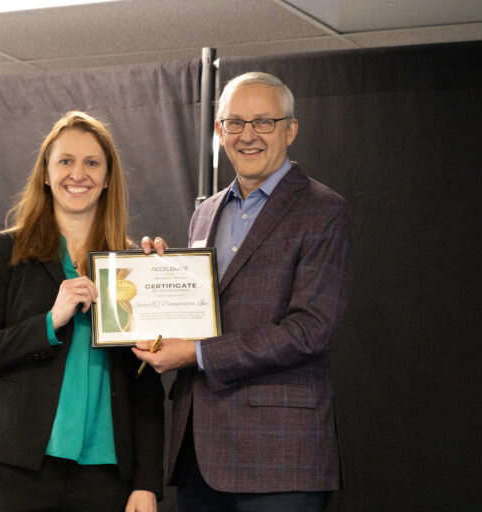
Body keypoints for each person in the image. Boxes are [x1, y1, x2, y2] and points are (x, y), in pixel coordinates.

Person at [134, 72, 351, 511]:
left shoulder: (323, 210)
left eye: (263, 122)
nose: (247, 135)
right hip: (198, 451)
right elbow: (200, 315)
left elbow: (310, 329)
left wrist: (196, 354)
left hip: (280, 456)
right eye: (234, 122)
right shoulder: (206, 212)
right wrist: (156, 281)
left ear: (290, 129)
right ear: (219, 132)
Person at [0, 111, 164, 512]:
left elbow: (146, 389)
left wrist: (147, 482)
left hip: (106, 478)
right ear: (46, 174)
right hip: (18, 471)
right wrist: (50, 322)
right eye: (65, 161)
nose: (77, 173)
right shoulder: (8, 253)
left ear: (107, 177)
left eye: (91, 162)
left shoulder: (133, 267)